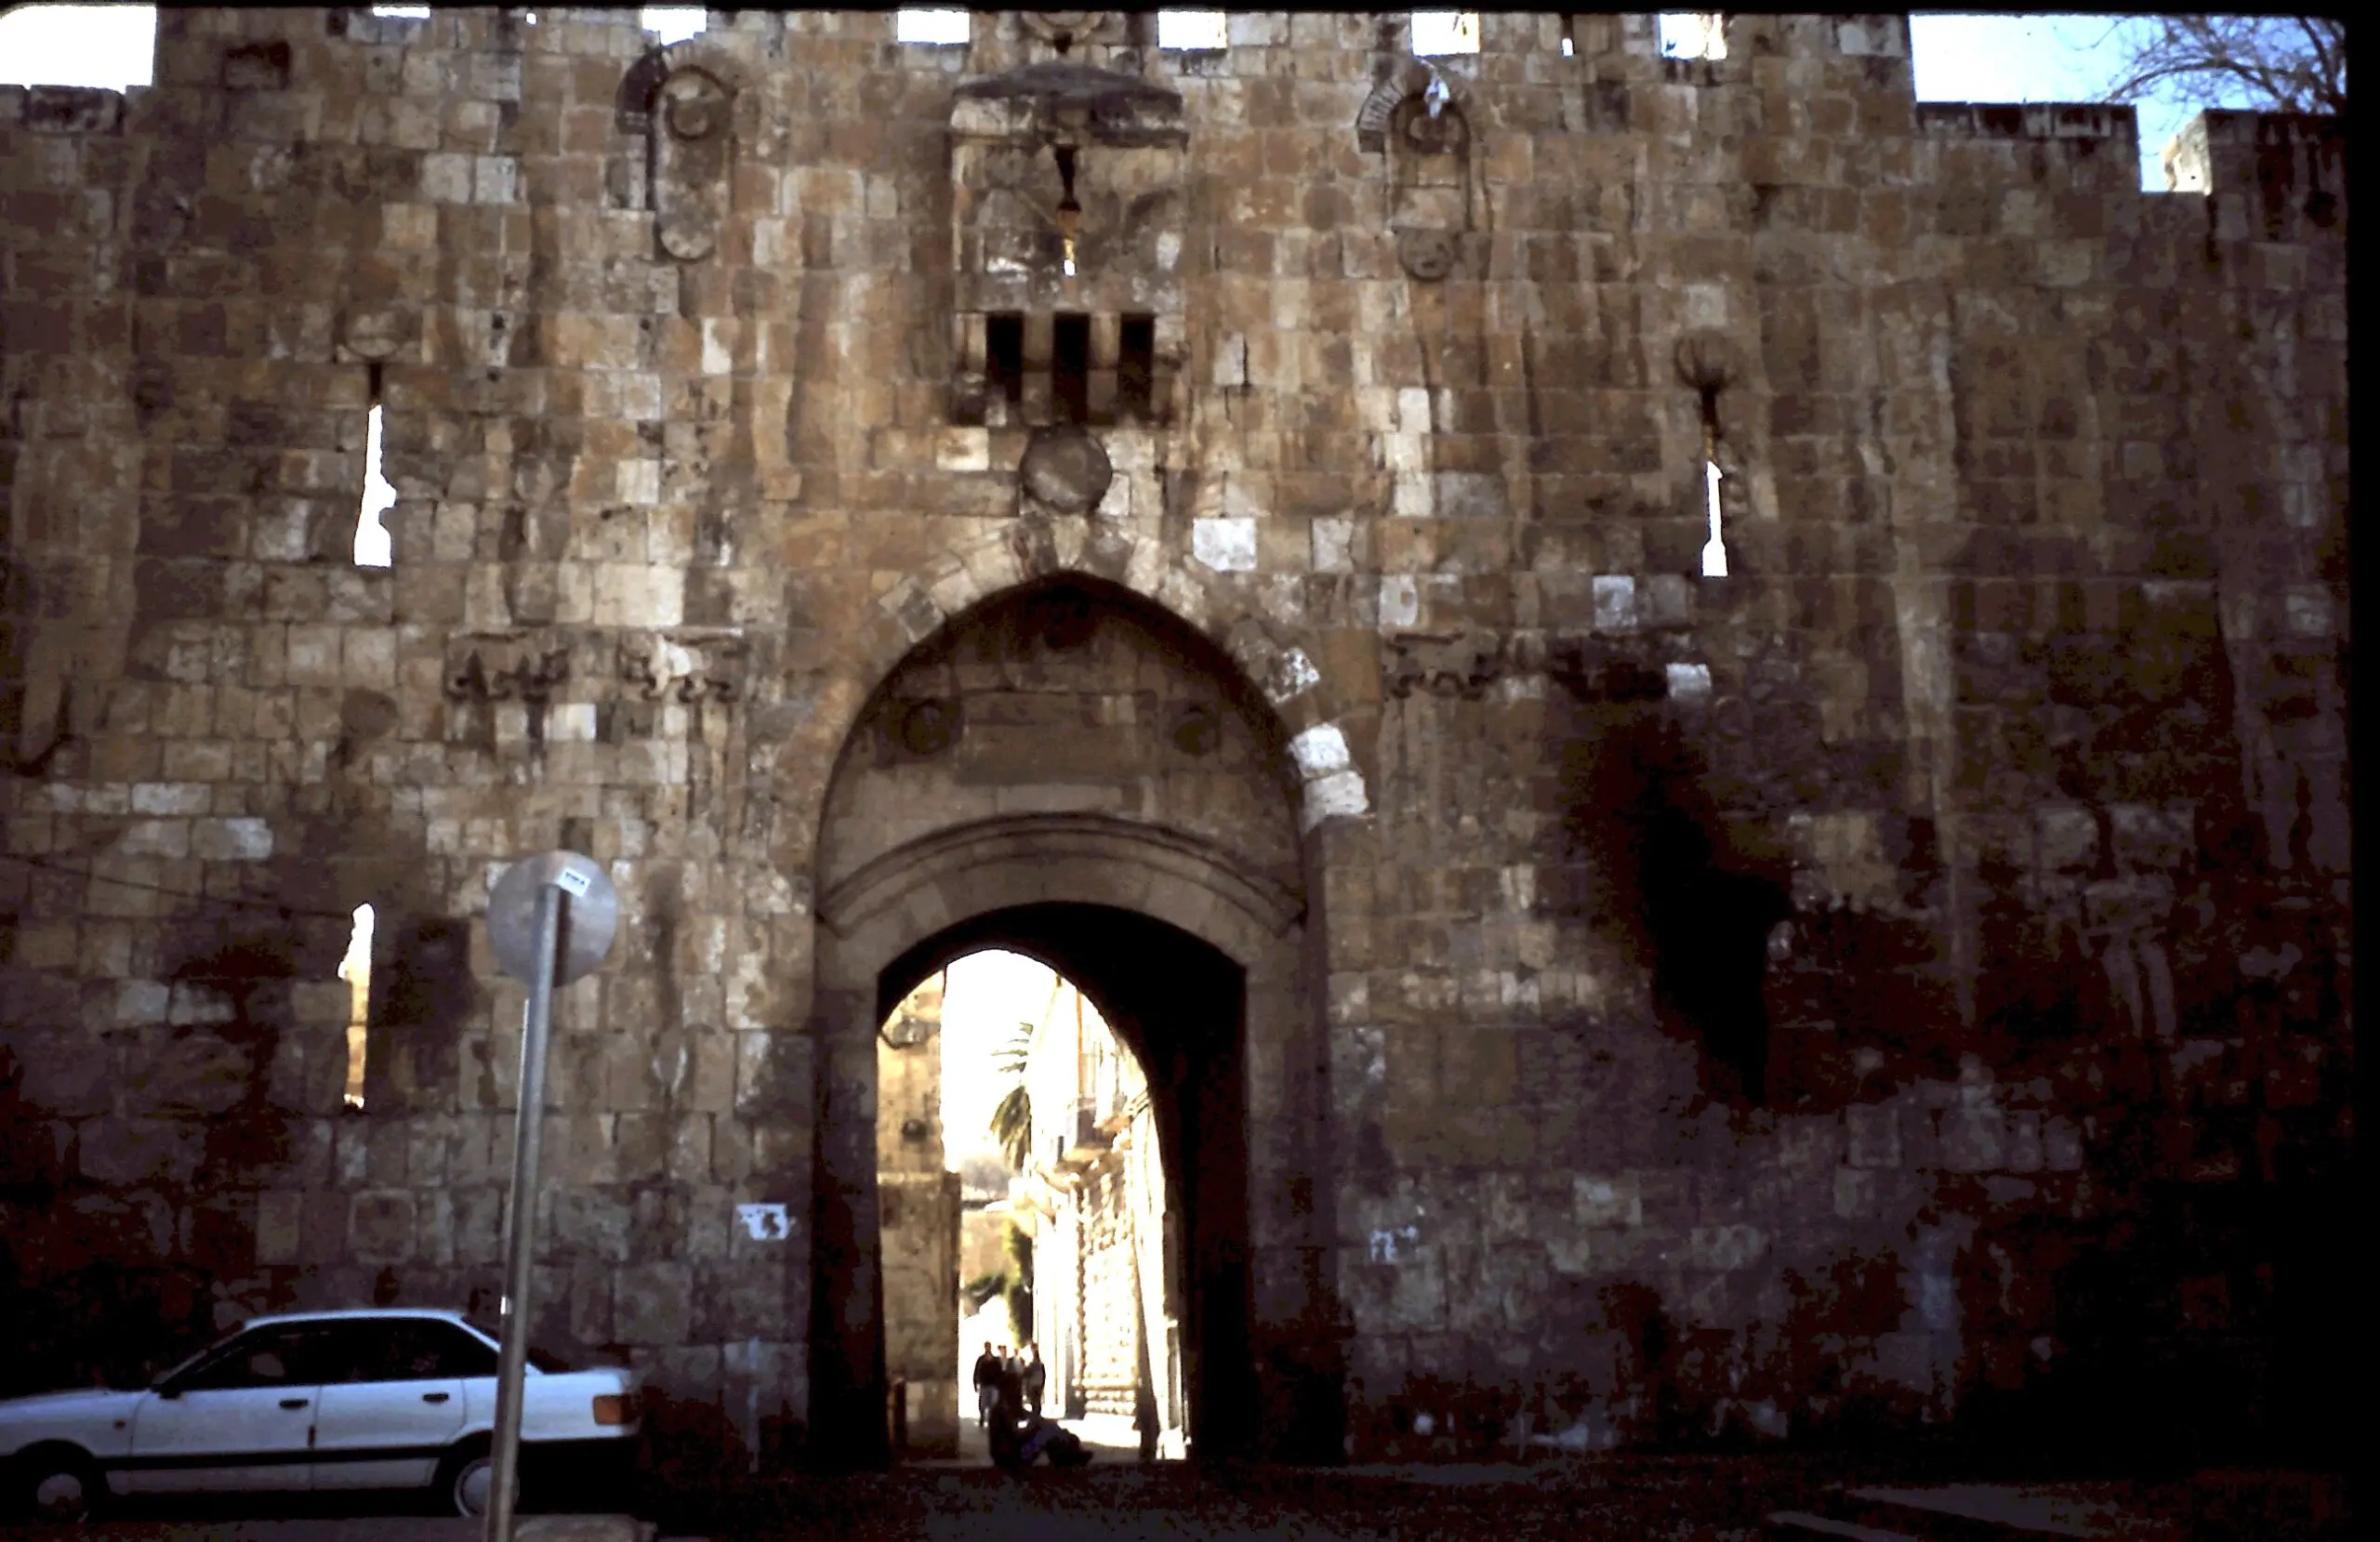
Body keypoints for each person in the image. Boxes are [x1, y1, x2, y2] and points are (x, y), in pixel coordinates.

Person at [972, 1340, 1002, 1430]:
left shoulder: (995, 1360)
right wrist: (975, 1384)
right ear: (985, 1347)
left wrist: (999, 1384)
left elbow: (1000, 1372)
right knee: (983, 1405)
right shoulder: (981, 1359)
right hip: (984, 1385)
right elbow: (976, 1372)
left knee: (993, 1405)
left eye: (989, 1346)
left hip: (993, 1385)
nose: (987, 1348)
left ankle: (992, 1421)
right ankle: (982, 1419)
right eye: (986, 1346)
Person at [1022, 1343, 1047, 1418]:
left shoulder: (1034, 1363)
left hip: (1035, 1384)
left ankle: (1036, 1415)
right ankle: (1036, 1415)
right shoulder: (1036, 1363)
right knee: (1035, 1401)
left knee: (1035, 1400)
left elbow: (1027, 1374)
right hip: (1036, 1384)